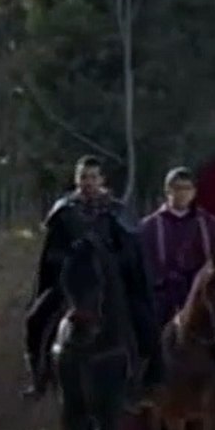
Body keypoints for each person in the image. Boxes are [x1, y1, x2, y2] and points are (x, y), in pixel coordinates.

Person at [23, 155, 164, 400]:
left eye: (92, 177)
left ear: (101, 180)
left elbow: (130, 254)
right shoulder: (64, 212)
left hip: (110, 284)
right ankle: (40, 377)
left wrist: (107, 260)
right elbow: (51, 253)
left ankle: (146, 381)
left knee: (145, 321)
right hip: (71, 283)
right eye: (83, 177)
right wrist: (72, 257)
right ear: (77, 180)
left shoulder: (115, 212)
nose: (88, 182)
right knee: (36, 319)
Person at [136, 167, 215, 324]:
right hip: (163, 298)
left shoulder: (208, 224)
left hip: (201, 296)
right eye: (177, 188)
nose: (182, 193)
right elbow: (141, 263)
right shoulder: (149, 227)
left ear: (194, 192)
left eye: (187, 188)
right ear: (168, 190)